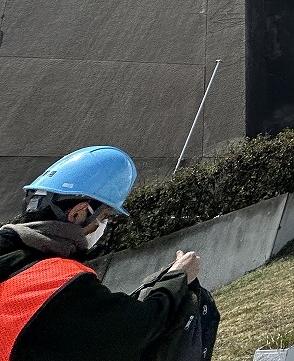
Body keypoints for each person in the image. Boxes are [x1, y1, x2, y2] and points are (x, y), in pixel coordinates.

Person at [0, 145, 204, 361]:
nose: (103, 226)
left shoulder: (11, 255)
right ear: (78, 213)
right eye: (104, 216)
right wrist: (177, 278)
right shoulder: (59, 280)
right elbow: (135, 330)